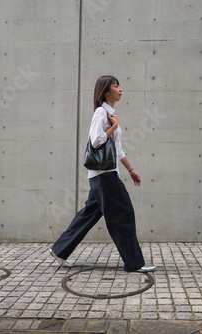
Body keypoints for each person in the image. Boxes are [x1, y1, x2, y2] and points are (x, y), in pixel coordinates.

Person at [49, 75, 156, 273]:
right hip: (105, 177)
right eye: (116, 86)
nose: (120, 89)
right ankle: (134, 263)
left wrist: (131, 170)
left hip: (101, 175)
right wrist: (113, 127)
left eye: (119, 85)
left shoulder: (109, 113)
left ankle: (60, 250)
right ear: (106, 91)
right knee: (123, 215)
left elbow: (117, 149)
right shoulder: (101, 113)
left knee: (88, 215)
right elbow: (96, 141)